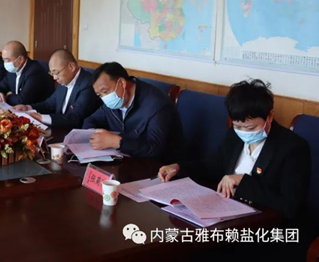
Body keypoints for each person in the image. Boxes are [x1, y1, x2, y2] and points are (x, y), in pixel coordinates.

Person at [157, 79, 311, 223]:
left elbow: (290, 205)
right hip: (227, 213)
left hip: (266, 223)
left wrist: (242, 181)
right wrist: (179, 168)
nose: (244, 132)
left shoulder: (293, 148)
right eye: (238, 126)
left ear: (269, 116)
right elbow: (211, 166)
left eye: (251, 127)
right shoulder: (235, 136)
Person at [83, 62, 183, 162]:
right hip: (124, 160)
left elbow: (155, 149)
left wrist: (117, 142)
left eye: (105, 91)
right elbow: (91, 120)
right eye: (99, 95)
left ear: (122, 83)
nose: (104, 98)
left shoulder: (157, 104)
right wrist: (94, 134)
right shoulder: (115, 100)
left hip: (158, 166)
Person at [14, 49, 100, 130]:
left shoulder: (89, 84)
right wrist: (28, 107)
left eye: (56, 73)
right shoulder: (65, 80)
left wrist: (41, 117)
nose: (55, 78)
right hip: (60, 129)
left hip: (78, 133)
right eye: (52, 73)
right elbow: (49, 104)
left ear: (71, 66)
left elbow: (75, 118)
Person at [0, 41, 55, 106]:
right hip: (18, 109)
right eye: (3, 60)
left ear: (20, 59)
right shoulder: (12, 71)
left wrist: (7, 96)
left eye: (7, 60)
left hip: (36, 110)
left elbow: (22, 101)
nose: (5, 63)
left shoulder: (34, 72)